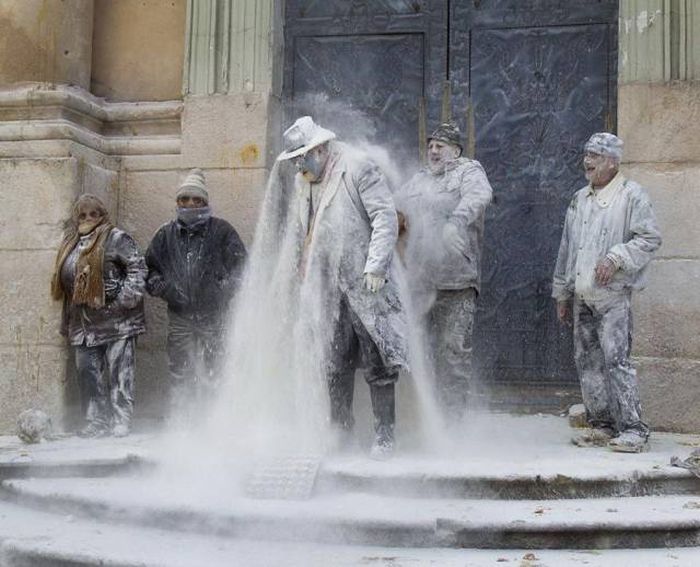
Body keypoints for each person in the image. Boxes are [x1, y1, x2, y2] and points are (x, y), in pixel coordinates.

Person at [277, 116, 408, 458]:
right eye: (294, 160)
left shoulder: (358, 167)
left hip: (366, 283)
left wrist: (376, 266)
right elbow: (302, 230)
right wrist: (298, 270)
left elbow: (385, 217)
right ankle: (341, 433)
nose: (298, 166)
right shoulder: (304, 181)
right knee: (334, 361)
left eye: (302, 158)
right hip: (326, 286)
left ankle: (384, 436)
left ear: (320, 149)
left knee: (378, 360)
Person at [553, 132, 662, 453]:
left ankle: (634, 429)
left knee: (617, 361)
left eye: (596, 156)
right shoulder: (579, 198)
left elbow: (649, 239)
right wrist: (562, 292)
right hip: (582, 296)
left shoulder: (632, 195)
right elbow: (567, 248)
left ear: (613, 162)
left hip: (613, 296)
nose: (587, 161)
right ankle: (602, 424)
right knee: (587, 361)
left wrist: (617, 257)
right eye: (587, 154)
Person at [396, 123, 492, 423]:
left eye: (440, 146)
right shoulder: (420, 179)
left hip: (457, 282)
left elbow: (479, 197)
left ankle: (452, 423)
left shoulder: (468, 172)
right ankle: (420, 418)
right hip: (420, 282)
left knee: (452, 353)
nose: (433, 151)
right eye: (430, 146)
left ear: (456, 150)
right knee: (415, 351)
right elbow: (394, 206)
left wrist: (455, 222)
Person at [145, 169, 247, 418]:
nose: (190, 204)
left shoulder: (222, 231)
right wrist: (166, 289)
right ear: (177, 202)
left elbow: (242, 269)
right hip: (180, 316)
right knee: (180, 369)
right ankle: (182, 420)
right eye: (184, 199)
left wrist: (221, 292)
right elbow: (148, 271)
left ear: (205, 202)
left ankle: (215, 419)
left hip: (213, 316)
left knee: (215, 368)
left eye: (196, 199)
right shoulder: (165, 234)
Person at [51, 194, 146, 438]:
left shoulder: (117, 238)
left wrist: (125, 301)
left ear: (103, 215)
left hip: (118, 321)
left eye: (94, 213)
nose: (88, 218)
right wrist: (67, 320)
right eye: (82, 215)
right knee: (87, 373)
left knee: (120, 373)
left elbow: (137, 268)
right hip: (83, 323)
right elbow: (67, 286)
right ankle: (96, 421)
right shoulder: (71, 244)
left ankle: (120, 420)